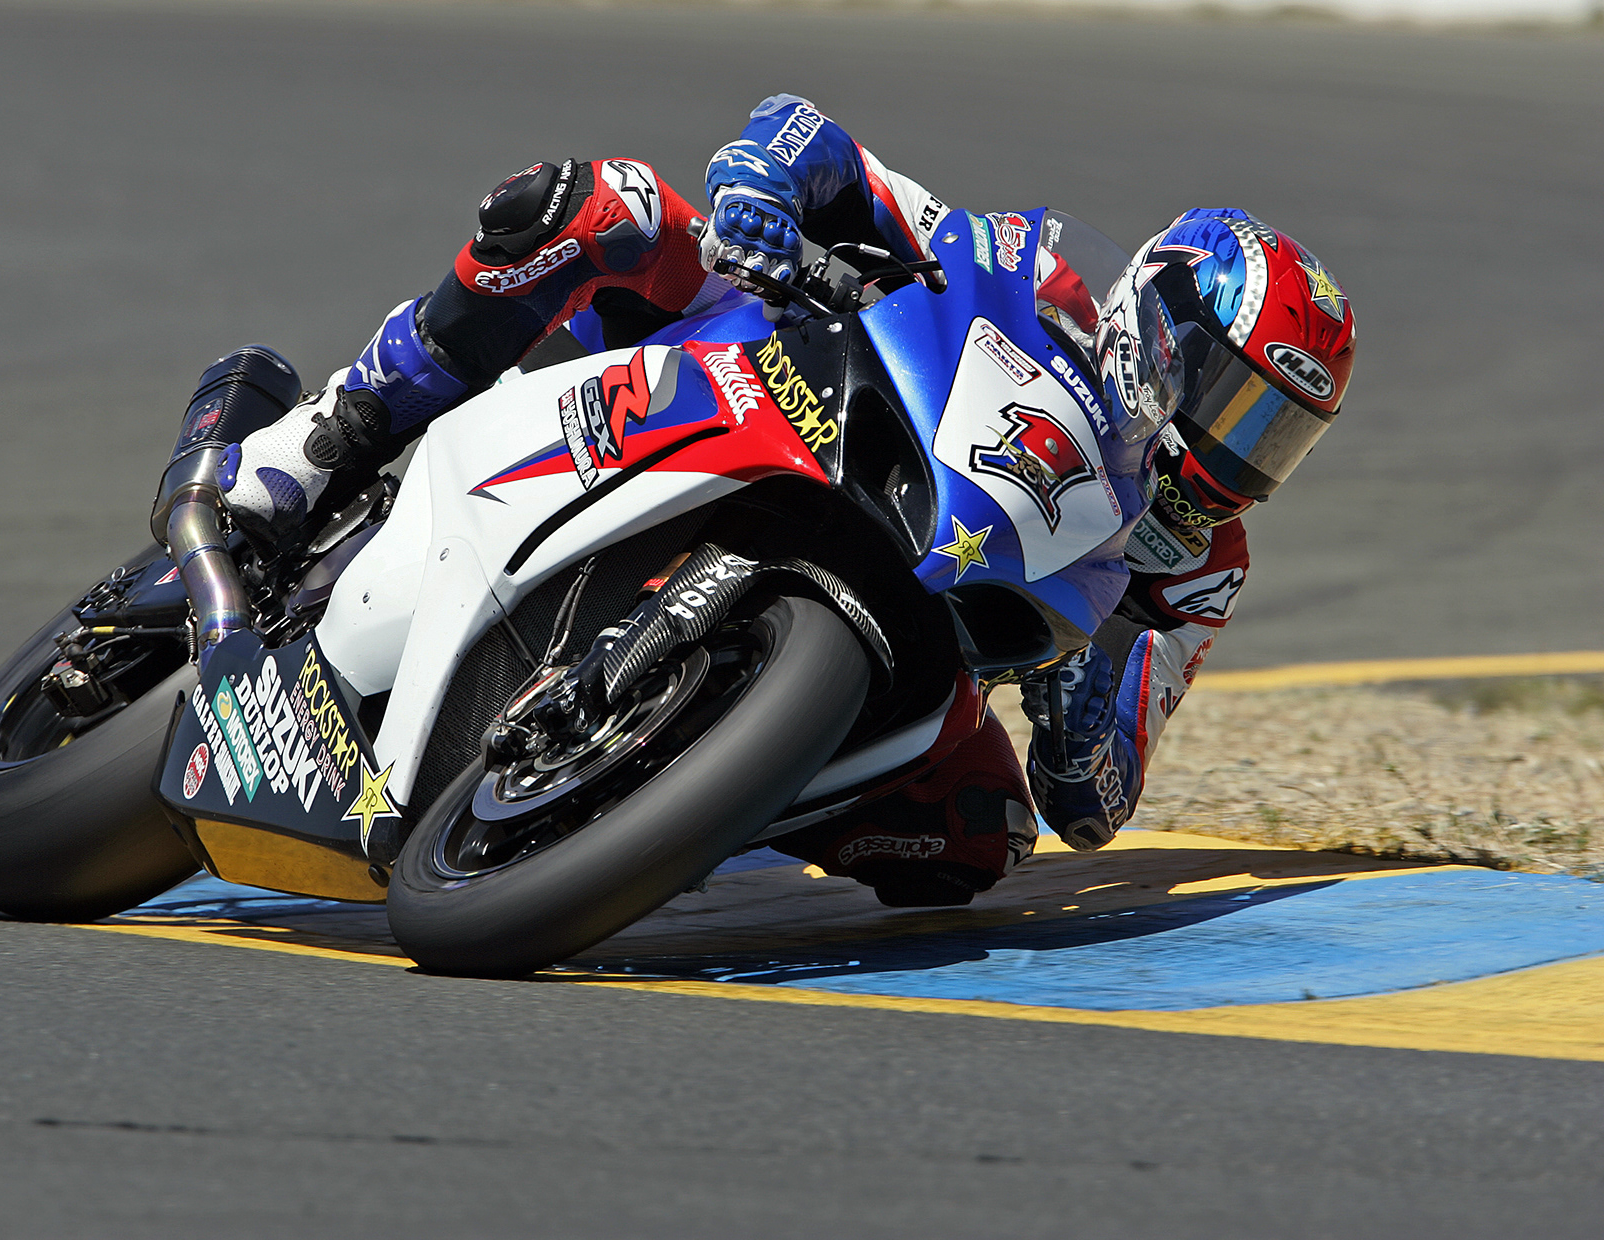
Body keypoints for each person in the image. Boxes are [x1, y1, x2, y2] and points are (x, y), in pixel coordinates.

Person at [208, 95, 1357, 908]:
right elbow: (824, 145)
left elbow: (1096, 797)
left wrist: (1077, 681)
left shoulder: (1200, 563)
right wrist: (764, 188)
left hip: (909, 618)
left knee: (972, 839)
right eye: (1234, 398)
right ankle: (318, 445)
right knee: (602, 206)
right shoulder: (1035, 270)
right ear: (1160, 322)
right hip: (753, 381)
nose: (1238, 449)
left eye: (1278, 435)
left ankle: (673, 799)